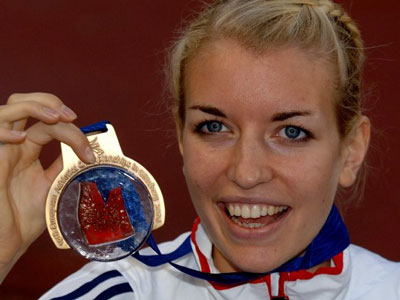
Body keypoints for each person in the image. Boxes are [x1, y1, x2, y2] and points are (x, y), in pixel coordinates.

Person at [0, 0, 399, 299]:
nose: (246, 172)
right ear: (181, 138)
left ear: (350, 150)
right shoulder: (121, 292)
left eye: (291, 132)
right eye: (214, 127)